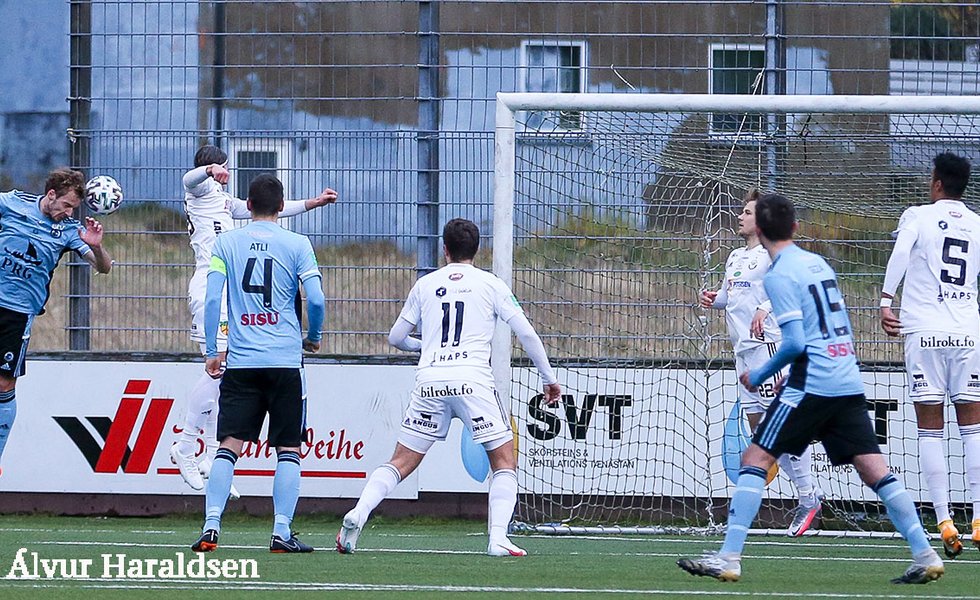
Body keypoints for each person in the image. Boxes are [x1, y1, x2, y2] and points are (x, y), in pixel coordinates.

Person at [679, 193, 944, 584]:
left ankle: (729, 557)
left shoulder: (778, 274)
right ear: (795, 227)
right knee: (875, 469)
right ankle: (925, 553)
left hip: (811, 382)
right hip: (846, 377)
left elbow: (794, 343)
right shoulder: (818, 264)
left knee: (754, 458)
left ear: (761, 230)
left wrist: (763, 372)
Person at [336, 218, 561, 557]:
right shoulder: (491, 284)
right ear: (478, 249)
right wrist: (548, 378)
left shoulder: (426, 284)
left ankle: (359, 512)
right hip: (473, 381)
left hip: (430, 380)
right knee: (504, 461)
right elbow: (526, 333)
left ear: (445, 249)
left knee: (401, 461)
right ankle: (498, 538)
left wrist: (424, 346)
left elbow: (396, 337)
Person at [171, 144, 337, 494]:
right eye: (223, 168)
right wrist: (209, 171)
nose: (225, 173)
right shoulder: (199, 191)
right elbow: (189, 179)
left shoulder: (222, 200)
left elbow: (268, 210)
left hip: (226, 286)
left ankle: (212, 454)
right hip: (210, 286)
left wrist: (312, 203)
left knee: (226, 377)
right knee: (217, 369)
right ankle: (185, 446)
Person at [190, 173, 324, 553]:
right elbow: (315, 299)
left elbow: (213, 298)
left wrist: (212, 350)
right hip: (285, 362)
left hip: (242, 362)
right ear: (281, 207)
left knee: (228, 446)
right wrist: (313, 336)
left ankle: (211, 526)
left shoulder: (226, 243)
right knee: (289, 449)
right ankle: (281, 532)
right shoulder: (297, 243)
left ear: (247, 206)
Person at [699, 190, 823, 536]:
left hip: (769, 347)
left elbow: (793, 288)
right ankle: (809, 495)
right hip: (742, 352)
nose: (740, 217)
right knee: (761, 431)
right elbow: (730, 297)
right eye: (741, 211)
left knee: (780, 426)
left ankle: (808, 496)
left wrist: (765, 308)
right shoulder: (735, 256)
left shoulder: (773, 255)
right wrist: (714, 298)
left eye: (747, 212)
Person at [880, 151, 980, 557]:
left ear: (937, 182)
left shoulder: (917, 216)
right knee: (973, 427)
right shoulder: (977, 223)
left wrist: (886, 299)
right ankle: (979, 518)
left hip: (924, 331)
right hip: (967, 332)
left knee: (929, 428)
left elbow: (901, 253)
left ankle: (944, 520)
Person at [0, 168, 112, 472]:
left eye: (73, 208)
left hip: (18, 313)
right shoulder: (12, 203)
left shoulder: (69, 231)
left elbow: (104, 267)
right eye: (66, 205)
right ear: (51, 195)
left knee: (4, 384)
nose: (69, 212)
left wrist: (96, 245)